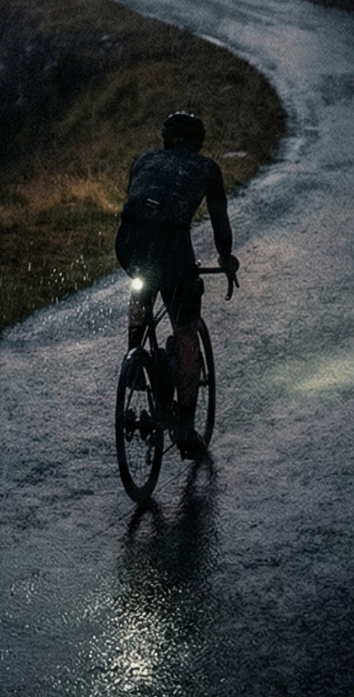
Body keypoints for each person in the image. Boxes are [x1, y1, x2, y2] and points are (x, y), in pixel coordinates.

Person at [115, 111, 237, 458]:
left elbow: (141, 206)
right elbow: (220, 222)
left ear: (166, 140)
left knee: (143, 279)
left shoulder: (143, 160)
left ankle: (135, 354)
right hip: (172, 244)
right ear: (198, 142)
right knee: (185, 331)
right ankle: (185, 427)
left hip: (128, 240)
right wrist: (226, 259)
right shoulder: (207, 168)